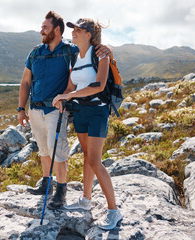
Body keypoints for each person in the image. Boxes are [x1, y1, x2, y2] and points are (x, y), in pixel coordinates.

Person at [17, 11, 113, 210]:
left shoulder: (70, 50)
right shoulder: (36, 52)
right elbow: (26, 81)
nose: (41, 30)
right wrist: (21, 108)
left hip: (59, 110)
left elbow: (93, 55)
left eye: (45, 27)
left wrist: (107, 50)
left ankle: (62, 190)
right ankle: (47, 184)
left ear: (57, 30)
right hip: (38, 109)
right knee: (43, 149)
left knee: (58, 152)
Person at [52, 18, 123, 230]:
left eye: (79, 30)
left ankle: (114, 211)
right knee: (86, 156)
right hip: (80, 112)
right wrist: (62, 98)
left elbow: (99, 85)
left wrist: (70, 94)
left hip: (98, 112)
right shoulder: (75, 58)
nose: (73, 32)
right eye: (73, 29)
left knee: (94, 160)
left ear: (89, 35)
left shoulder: (100, 54)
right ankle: (86, 200)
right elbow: (70, 85)